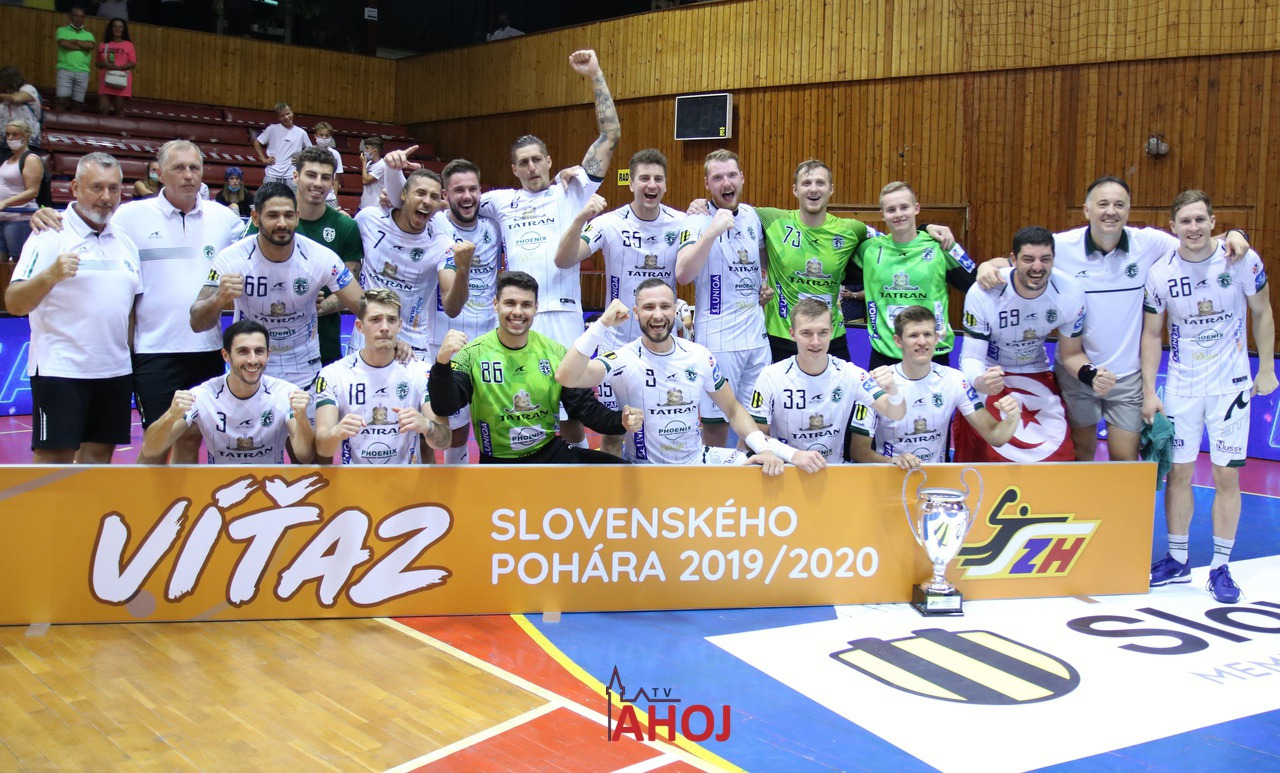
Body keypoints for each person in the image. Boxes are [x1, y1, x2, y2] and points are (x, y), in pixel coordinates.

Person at [978, 176, 1250, 461]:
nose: (1111, 211)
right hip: (1076, 372)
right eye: (1103, 204)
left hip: (1127, 376)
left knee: (1124, 459)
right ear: (1087, 210)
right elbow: (1013, 263)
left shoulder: (1149, 243)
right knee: (1081, 454)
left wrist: (1236, 233)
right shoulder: (1062, 246)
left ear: (1128, 210)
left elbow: (1197, 241)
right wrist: (986, 266)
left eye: (1119, 204)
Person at [478, 49, 620, 447]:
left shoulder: (571, 190)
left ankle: (575, 469)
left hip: (563, 314)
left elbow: (610, 136)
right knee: (520, 404)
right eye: (523, 162)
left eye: (537, 160)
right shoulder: (500, 201)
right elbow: (455, 202)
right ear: (513, 169)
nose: (531, 167)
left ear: (549, 161)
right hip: (518, 315)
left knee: (571, 408)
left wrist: (595, 74)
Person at [1143, 190, 1275, 604]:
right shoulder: (1160, 272)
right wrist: (1148, 390)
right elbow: (1152, 333)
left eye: (1200, 219)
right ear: (1173, 227)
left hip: (1231, 387)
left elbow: (1262, 312)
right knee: (1178, 474)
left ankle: (1220, 566)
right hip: (1181, 387)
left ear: (1214, 222)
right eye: (1185, 221)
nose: (1194, 227)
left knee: (1226, 476)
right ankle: (1178, 560)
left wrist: (1266, 368)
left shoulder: (1242, 260)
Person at [557, 281, 787, 472]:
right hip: (646, 471)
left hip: (697, 461)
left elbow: (733, 410)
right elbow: (567, 377)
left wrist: (763, 448)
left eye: (664, 306)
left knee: (768, 465)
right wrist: (602, 324)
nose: (657, 315)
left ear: (675, 310)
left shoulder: (699, 355)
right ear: (636, 313)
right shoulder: (622, 359)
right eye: (648, 307)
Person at [4, 152, 140, 464]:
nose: (106, 197)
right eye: (96, 187)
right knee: (54, 461)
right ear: (76, 188)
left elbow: (130, 308)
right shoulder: (50, 234)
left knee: (98, 460)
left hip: (114, 370)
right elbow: (14, 302)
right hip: (61, 370)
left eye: (114, 188)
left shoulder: (125, 242)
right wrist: (50, 275)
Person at [428, 271, 639, 464]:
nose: (517, 312)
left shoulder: (554, 352)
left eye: (526, 305)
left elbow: (584, 407)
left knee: (618, 470)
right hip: (498, 463)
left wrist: (620, 420)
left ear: (536, 308)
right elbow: (445, 406)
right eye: (510, 303)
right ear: (495, 305)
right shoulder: (472, 354)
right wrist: (442, 363)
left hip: (549, 454)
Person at [555, 148, 682, 456]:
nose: (651, 185)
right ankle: (612, 486)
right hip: (617, 346)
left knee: (666, 428)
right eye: (644, 178)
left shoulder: (682, 222)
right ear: (631, 183)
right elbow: (564, 259)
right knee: (614, 432)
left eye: (658, 179)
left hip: (664, 345)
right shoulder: (609, 223)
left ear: (666, 184)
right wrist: (580, 218)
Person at [190, 182, 363, 392]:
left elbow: (363, 307)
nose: (282, 223)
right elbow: (197, 323)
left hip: (304, 371)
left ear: (297, 217)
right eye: (272, 215)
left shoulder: (321, 257)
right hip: (251, 370)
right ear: (255, 218)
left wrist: (392, 337)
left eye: (288, 215)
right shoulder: (231, 259)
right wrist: (219, 299)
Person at [955, 225, 1101, 463]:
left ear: (1054, 259)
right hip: (990, 371)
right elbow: (972, 356)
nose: (1037, 267)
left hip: (1036, 369)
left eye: (1045, 259)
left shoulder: (1070, 293)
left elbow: (1071, 354)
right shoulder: (984, 292)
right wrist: (980, 381)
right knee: (984, 452)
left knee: (1057, 457)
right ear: (1013, 260)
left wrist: (1092, 374)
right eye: (1028, 259)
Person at [674, 148, 770, 448]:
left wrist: (765, 284)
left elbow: (763, 257)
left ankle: (744, 471)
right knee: (716, 427)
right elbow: (682, 274)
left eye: (731, 175)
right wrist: (711, 233)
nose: (725, 183)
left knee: (759, 425)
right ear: (707, 184)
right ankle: (716, 477)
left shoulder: (752, 215)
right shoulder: (697, 220)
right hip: (718, 339)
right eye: (717, 178)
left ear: (742, 178)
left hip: (757, 337)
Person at [849, 305, 1020, 468]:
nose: (922, 342)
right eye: (913, 335)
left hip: (937, 480)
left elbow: (995, 437)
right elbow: (858, 452)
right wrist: (892, 461)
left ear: (936, 338)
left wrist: (1012, 417)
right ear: (898, 341)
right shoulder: (878, 383)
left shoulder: (955, 380)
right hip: (890, 478)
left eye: (927, 334)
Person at [748, 298, 906, 466]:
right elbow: (755, 436)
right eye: (806, 333)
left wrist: (893, 391)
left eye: (823, 333)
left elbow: (896, 413)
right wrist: (793, 455)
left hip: (834, 470)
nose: (816, 342)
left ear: (831, 331)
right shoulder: (771, 376)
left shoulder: (850, 373)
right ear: (792, 334)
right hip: (787, 470)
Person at [245, 146, 363, 367]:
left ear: (333, 182)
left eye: (325, 177)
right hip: (264, 344)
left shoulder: (345, 227)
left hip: (323, 344)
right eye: (311, 175)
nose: (318, 183)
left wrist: (315, 308)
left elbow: (351, 288)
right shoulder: (269, 221)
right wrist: (296, 302)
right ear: (295, 176)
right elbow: (245, 272)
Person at [140, 320, 315, 464]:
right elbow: (151, 450)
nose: (252, 360)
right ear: (226, 355)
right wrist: (170, 416)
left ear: (268, 354)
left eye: (259, 351)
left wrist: (302, 419)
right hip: (219, 487)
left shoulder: (285, 393)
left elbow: (305, 456)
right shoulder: (203, 395)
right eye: (243, 352)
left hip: (270, 485)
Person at [855, 181, 982, 370]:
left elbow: (975, 282)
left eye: (904, 207)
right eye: (891, 210)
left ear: (916, 208)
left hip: (932, 353)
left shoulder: (941, 245)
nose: (898, 214)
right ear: (882, 214)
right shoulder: (870, 250)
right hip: (885, 355)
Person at [425, 158, 503, 464]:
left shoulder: (493, 225)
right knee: (454, 429)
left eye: (473, 189)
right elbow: (402, 201)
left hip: (489, 341)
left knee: (494, 420)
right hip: (447, 339)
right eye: (458, 190)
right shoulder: (436, 224)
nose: (467, 196)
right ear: (445, 195)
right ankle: (453, 481)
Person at [314, 289, 451, 464]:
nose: (385, 327)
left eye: (391, 320)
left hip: (406, 479)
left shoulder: (421, 373)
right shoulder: (333, 375)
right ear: (359, 326)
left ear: (399, 325)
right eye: (375, 319)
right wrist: (336, 433)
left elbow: (445, 442)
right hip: (355, 479)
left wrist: (427, 426)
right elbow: (323, 448)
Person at [356, 164, 462, 358]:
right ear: (403, 195)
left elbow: (452, 307)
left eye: (434, 197)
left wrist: (463, 268)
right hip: (366, 339)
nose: (427, 201)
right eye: (420, 193)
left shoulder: (442, 242)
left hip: (414, 347)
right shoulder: (368, 219)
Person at [0, 120, 42, 262]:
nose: (10, 138)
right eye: (8, 134)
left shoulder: (30, 159)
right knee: (2, 263)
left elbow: (32, 192)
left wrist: (5, 203)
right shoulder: (7, 158)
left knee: (19, 262)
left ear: (26, 136)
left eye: (15, 134)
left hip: (20, 218)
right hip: (2, 217)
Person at [252, 102, 311, 190]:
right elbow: (257, 142)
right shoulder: (272, 129)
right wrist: (263, 159)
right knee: (268, 198)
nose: (286, 117)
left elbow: (310, 151)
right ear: (279, 118)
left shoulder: (301, 133)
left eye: (287, 114)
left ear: (292, 113)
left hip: (291, 174)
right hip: (272, 173)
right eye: (283, 116)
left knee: (293, 198)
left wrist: (301, 159)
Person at [54, 6, 95, 113]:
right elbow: (63, 43)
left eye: (81, 16)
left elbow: (90, 45)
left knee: (77, 104)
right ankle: (58, 123)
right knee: (62, 100)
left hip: (83, 71)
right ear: (70, 17)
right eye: (76, 16)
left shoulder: (88, 34)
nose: (78, 19)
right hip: (64, 70)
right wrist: (82, 46)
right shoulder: (62, 30)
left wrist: (75, 41)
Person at [95, 17, 135, 116]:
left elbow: (133, 63)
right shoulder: (103, 44)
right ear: (111, 28)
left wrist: (119, 68)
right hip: (106, 79)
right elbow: (97, 63)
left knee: (119, 109)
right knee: (103, 108)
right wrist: (105, 65)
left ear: (123, 29)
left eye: (120, 27)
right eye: (115, 26)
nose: (118, 29)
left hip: (121, 79)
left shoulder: (128, 45)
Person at [0, 67, 43, 148]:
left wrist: (2, 96)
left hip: (26, 137)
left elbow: (17, 99)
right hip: (5, 137)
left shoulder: (28, 89)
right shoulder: (4, 94)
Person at [312, 121, 343, 208]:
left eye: (327, 135)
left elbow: (336, 178)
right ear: (315, 136)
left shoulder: (335, 154)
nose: (324, 137)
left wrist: (335, 196)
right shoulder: (309, 152)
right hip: (313, 195)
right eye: (321, 135)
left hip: (330, 198)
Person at [359, 136, 386, 209]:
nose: (364, 151)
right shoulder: (368, 163)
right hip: (363, 204)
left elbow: (365, 181)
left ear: (375, 151)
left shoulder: (382, 165)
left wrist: (363, 163)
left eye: (367, 148)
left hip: (375, 206)